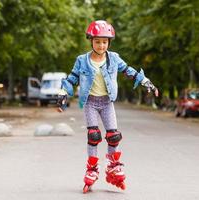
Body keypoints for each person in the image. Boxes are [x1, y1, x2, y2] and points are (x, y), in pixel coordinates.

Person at [57, 20, 159, 193]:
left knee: (113, 136)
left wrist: (146, 82)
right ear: (91, 40)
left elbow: (129, 71)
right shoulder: (82, 60)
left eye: (105, 42)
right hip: (90, 102)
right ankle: (92, 169)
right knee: (94, 135)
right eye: (97, 41)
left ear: (109, 42)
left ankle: (113, 165)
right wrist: (62, 94)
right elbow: (71, 79)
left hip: (107, 103)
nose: (101, 45)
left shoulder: (114, 58)